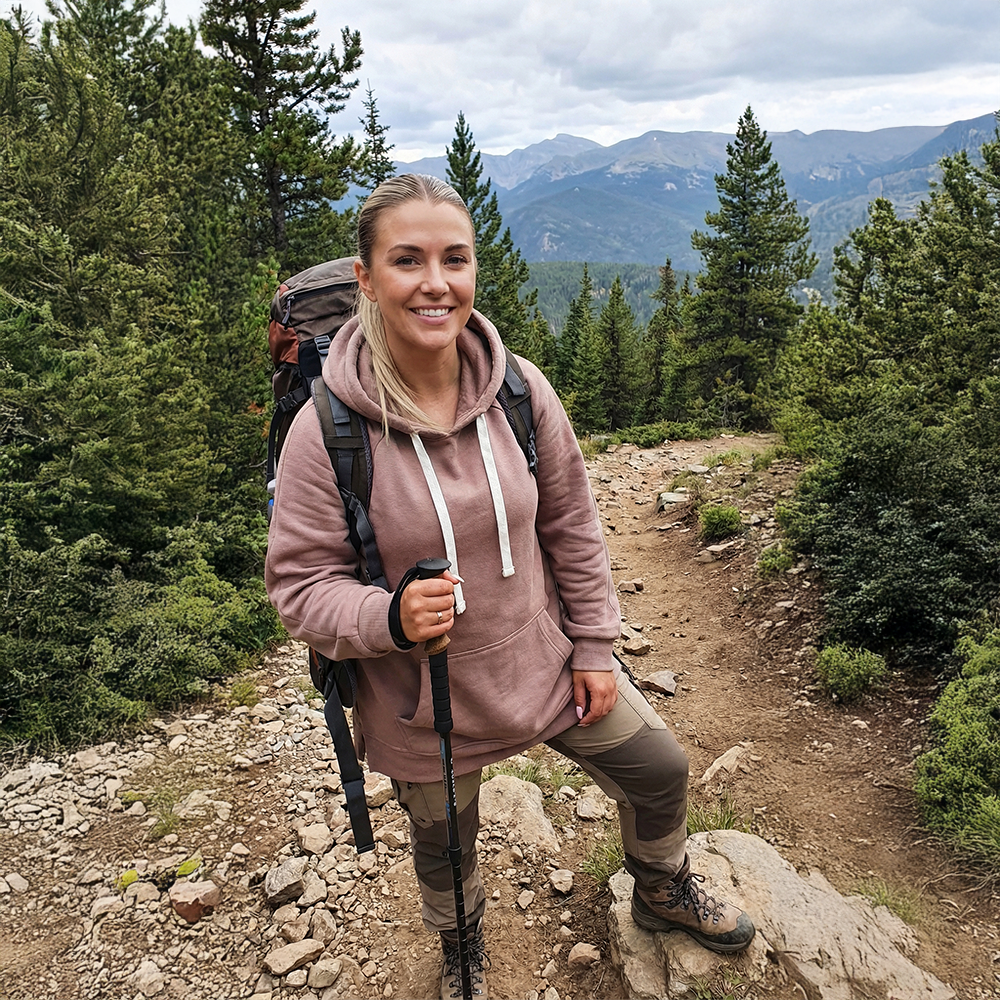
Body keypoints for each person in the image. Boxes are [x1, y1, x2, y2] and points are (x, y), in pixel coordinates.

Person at [265, 173, 755, 999]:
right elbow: (299, 588)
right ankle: (463, 950)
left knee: (659, 769)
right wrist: (388, 614)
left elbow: (572, 524)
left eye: (455, 258)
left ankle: (661, 887)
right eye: (408, 259)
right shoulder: (327, 429)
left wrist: (595, 646)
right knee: (445, 849)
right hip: (424, 702)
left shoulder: (519, 391)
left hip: (547, 665)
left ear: (474, 269)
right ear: (366, 279)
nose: (435, 282)